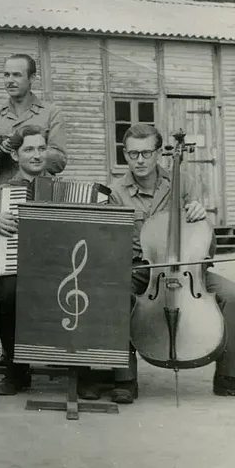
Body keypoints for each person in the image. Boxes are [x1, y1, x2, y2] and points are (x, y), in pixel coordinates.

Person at [85, 124, 235, 403]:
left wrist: (201, 216)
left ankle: (228, 375)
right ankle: (125, 380)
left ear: (157, 153)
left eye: (146, 153)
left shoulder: (184, 182)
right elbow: (111, 243)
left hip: (187, 268)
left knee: (232, 294)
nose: (139, 160)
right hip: (142, 269)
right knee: (115, 295)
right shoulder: (116, 192)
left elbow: (205, 243)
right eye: (133, 154)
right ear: (125, 155)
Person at [0, 125, 53, 396]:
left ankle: (80, 372)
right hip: (17, 265)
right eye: (29, 149)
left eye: (41, 148)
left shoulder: (63, 188)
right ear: (15, 156)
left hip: (56, 269)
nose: (36, 155)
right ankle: (16, 370)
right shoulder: (3, 191)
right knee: (6, 292)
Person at [0, 54, 68, 196]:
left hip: (41, 193)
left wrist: (26, 147)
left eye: (17, 75)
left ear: (32, 78)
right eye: (6, 75)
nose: (10, 81)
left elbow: (59, 161)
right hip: (1, 194)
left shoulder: (51, 113)